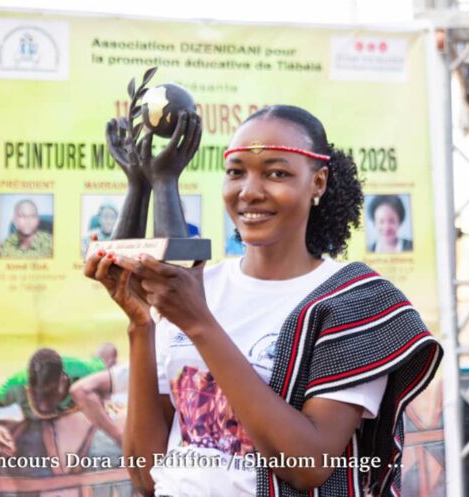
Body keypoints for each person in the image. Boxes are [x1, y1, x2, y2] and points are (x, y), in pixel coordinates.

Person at [85, 106, 442, 497]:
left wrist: (200, 324)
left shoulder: (353, 300)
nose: (249, 191)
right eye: (236, 171)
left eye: (277, 173)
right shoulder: (193, 287)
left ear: (318, 182)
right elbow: (145, 474)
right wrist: (141, 326)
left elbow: (309, 466)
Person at [0, 347, 108, 456]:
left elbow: (110, 373)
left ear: (63, 380)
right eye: (36, 394)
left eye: (48, 394)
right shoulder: (17, 385)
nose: (42, 405)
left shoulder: (83, 372)